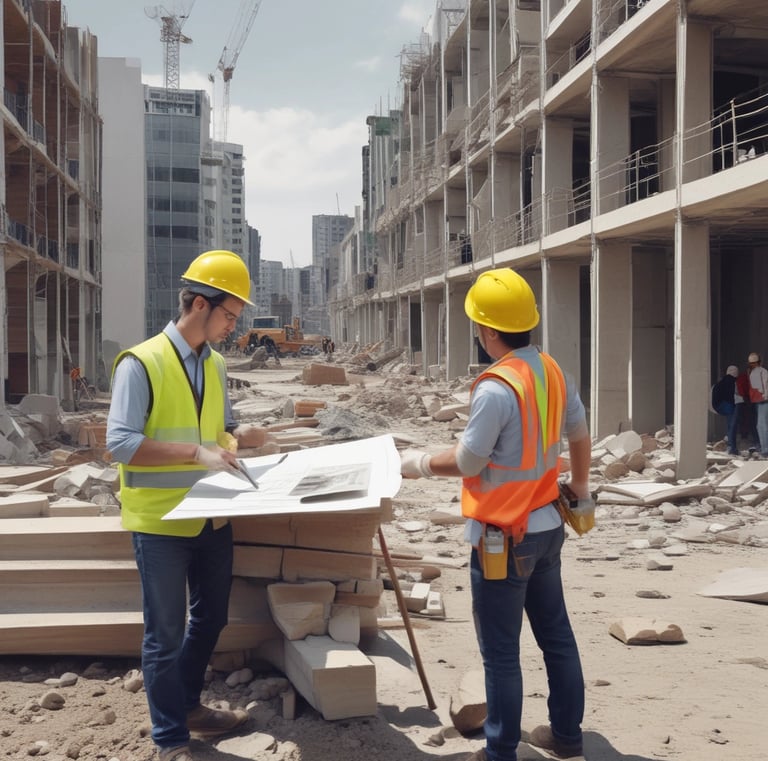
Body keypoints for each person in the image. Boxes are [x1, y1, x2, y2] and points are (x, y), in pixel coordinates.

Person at [399, 268, 593, 761]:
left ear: (487, 331)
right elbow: (579, 434)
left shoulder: (496, 388)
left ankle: (500, 751)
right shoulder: (553, 371)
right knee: (557, 636)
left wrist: (416, 463)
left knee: (501, 651)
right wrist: (582, 490)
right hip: (549, 527)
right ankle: (568, 738)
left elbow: (468, 461)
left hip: (503, 538)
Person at [106, 250, 272, 761]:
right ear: (199, 304)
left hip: (211, 512)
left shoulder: (217, 364)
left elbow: (217, 430)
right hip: (159, 521)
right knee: (165, 634)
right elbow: (120, 443)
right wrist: (196, 453)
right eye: (228, 315)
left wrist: (241, 438)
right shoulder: (142, 363)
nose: (231, 326)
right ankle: (170, 739)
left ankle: (188, 707)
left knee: (211, 618)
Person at [711, 365, 738, 455]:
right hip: (728, 405)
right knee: (732, 425)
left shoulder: (721, 382)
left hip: (718, 406)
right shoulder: (731, 382)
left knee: (730, 425)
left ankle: (728, 441)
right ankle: (732, 448)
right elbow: (731, 396)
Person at [748, 352, 768, 457]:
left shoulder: (760, 372)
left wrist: (764, 395)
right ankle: (764, 448)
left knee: (761, 425)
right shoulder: (759, 372)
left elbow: (763, 386)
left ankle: (765, 450)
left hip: (763, 401)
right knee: (762, 425)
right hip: (760, 400)